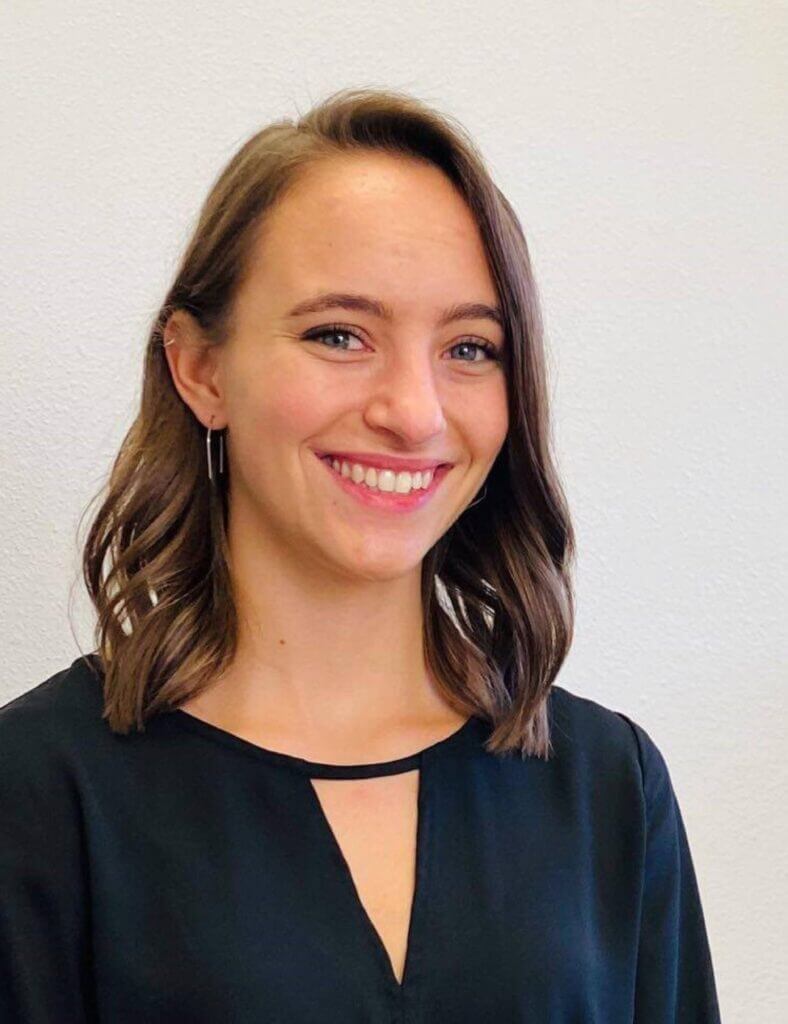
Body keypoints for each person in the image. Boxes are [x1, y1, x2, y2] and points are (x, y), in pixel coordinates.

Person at [0, 87, 721, 1022]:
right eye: (339, 335)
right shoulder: (38, 793)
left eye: (470, 348)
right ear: (200, 368)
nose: (414, 411)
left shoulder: (608, 786)